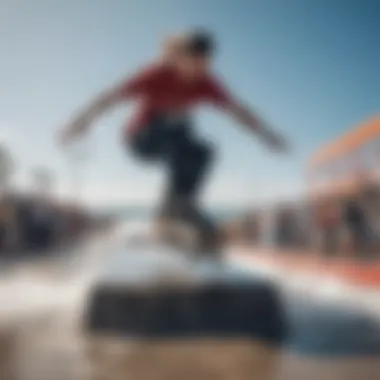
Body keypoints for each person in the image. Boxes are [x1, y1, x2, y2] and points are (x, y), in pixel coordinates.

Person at [58, 29, 289, 255]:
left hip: (173, 142)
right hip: (140, 139)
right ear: (179, 58)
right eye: (193, 64)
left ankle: (177, 208)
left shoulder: (207, 83)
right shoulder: (156, 74)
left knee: (204, 151)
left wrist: (267, 135)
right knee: (178, 127)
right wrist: (79, 122)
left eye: (204, 65)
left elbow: (237, 111)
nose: (197, 72)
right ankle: (174, 207)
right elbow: (110, 97)